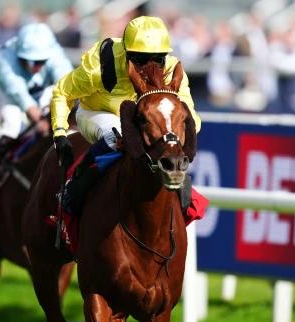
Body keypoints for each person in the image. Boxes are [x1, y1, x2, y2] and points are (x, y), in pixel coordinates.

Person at [50, 15, 201, 214]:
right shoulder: (100, 67)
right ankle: (75, 186)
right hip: (96, 112)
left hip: (140, 119)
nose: (150, 67)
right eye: (140, 59)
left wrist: (177, 137)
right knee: (118, 134)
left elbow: (189, 117)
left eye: (158, 59)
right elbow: (63, 92)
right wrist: (60, 133)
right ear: (126, 53)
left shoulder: (172, 70)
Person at [0, 22, 72, 174]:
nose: (37, 67)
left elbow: (65, 79)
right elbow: (18, 92)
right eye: (31, 61)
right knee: (11, 128)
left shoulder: (53, 51)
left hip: (38, 90)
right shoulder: (6, 56)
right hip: (8, 94)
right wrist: (38, 118)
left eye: (41, 62)